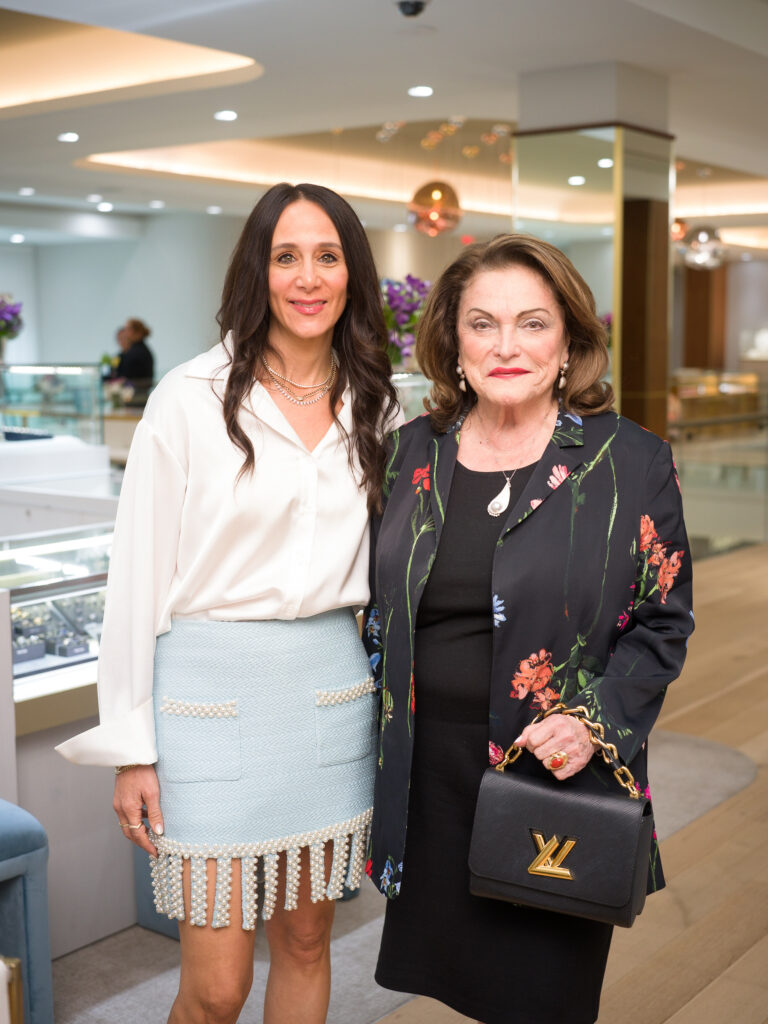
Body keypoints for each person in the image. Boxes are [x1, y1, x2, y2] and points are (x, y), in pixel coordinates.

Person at [57, 182, 400, 1024]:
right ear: (258, 270)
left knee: (308, 945)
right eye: (287, 257)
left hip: (327, 697)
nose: (308, 277)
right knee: (216, 988)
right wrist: (132, 748)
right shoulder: (189, 396)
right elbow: (135, 579)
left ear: (352, 273)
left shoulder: (379, 402)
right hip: (204, 705)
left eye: (327, 257)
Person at [362, 234, 694, 1024]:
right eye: (482, 324)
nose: (506, 346)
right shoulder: (408, 454)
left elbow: (664, 620)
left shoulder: (630, 460)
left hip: (552, 776)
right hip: (427, 776)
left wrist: (592, 722)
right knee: (453, 984)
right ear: (453, 342)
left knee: (543, 998)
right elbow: (371, 608)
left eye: (532, 324)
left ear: (569, 341)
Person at [112, 317, 155, 385]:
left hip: (136, 390)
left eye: (127, 330)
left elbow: (125, 374)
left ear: (134, 332)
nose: (125, 333)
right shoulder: (138, 350)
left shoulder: (137, 352)